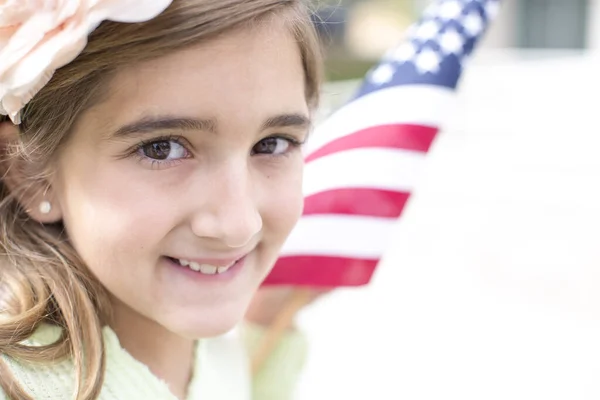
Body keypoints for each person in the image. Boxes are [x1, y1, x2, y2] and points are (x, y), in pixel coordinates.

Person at [0, 1, 323, 399]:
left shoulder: (209, 347)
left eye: (272, 144)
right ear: (31, 178)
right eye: (162, 149)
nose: (240, 224)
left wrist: (267, 324)